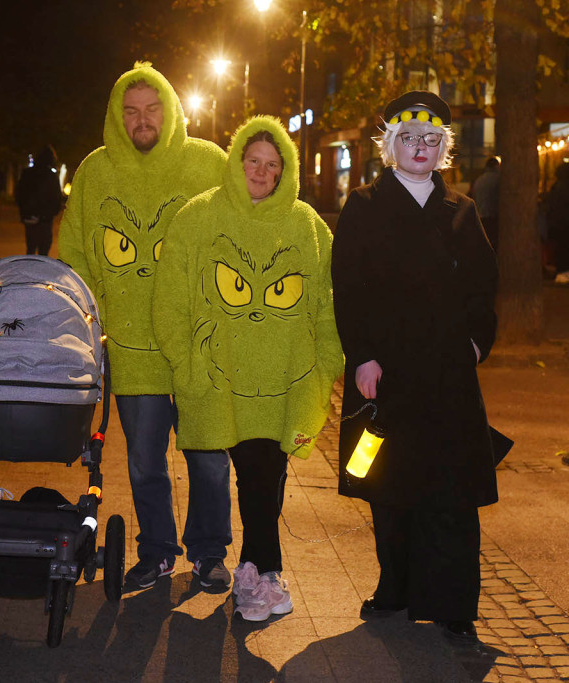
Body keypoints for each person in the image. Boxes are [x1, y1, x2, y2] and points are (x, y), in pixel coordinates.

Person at [153, 116, 343, 621]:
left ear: (285, 172)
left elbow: (327, 300)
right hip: (219, 380)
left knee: (265, 476)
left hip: (282, 381)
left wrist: (326, 364)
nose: (261, 172)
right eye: (253, 161)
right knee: (249, 476)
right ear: (237, 162)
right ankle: (258, 573)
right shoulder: (198, 217)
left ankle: (258, 572)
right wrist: (188, 365)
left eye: (272, 166)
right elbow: (168, 300)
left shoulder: (306, 224)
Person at [58, 62, 232, 590]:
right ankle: (157, 551)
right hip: (132, 351)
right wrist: (88, 328)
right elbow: (75, 255)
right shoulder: (94, 172)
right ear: (116, 115)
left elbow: (240, 230)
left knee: (207, 459)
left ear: (171, 110)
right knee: (144, 463)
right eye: (131, 111)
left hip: (201, 345)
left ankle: (208, 554)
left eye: (152, 109)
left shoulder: (208, 163)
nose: (142, 120)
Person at [331, 91, 499, 640]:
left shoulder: (462, 210)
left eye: (431, 140)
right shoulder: (364, 205)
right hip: (385, 372)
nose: (420, 148)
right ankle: (395, 586)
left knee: (451, 488)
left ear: (443, 149)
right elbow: (348, 288)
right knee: (388, 482)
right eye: (409, 138)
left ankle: (454, 604)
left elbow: (482, 285)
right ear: (390, 146)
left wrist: (477, 342)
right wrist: (363, 357)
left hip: (448, 375)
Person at [16, 145, 64, 256]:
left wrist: (25, 213)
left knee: (31, 248)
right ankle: (41, 272)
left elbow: (20, 194)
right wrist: (52, 212)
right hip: (45, 219)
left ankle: (29, 271)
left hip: (30, 217)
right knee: (44, 250)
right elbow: (56, 198)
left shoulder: (27, 173)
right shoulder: (51, 176)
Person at [470, 157, 500, 252]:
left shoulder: (479, 180)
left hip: (481, 217)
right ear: (496, 166)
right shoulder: (497, 179)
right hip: (492, 216)